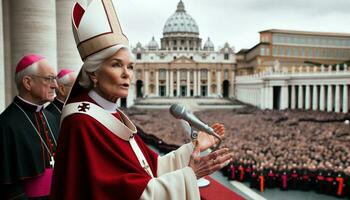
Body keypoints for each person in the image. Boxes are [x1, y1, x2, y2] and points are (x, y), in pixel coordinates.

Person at [50, 1, 232, 199]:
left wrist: (193, 147)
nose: (127, 75)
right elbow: (122, 192)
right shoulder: (83, 122)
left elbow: (149, 166)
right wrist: (191, 175)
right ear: (93, 73)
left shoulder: (110, 114)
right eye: (116, 65)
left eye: (130, 67)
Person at [0, 54, 59, 199]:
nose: (55, 85)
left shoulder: (51, 118)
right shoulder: (6, 124)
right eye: (49, 79)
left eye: (55, 79)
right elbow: (8, 185)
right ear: (28, 83)